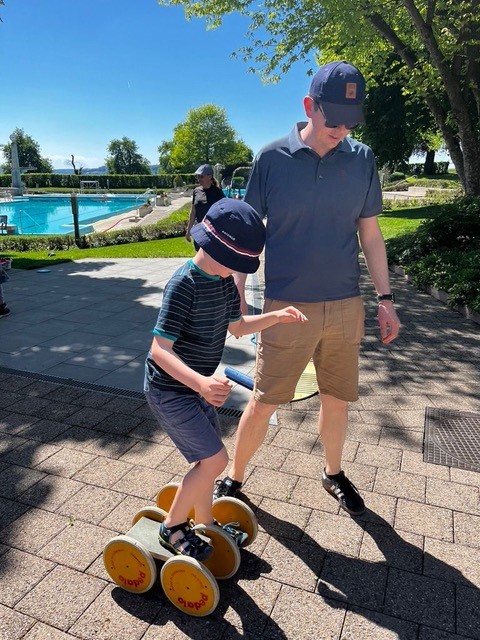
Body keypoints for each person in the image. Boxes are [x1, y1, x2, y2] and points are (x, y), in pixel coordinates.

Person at [214, 61, 401, 517]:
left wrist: (386, 300)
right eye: (333, 118)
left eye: (351, 121)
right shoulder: (271, 158)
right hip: (286, 307)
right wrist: (236, 297)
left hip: (345, 304)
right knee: (264, 400)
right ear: (308, 106)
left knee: (337, 400)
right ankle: (234, 477)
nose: (342, 129)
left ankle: (333, 473)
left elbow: (370, 234)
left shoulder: (362, 159)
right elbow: (246, 232)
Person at [144, 198, 307, 560]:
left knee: (208, 461)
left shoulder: (223, 283)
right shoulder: (184, 285)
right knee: (215, 461)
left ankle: (204, 520)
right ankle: (173, 527)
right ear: (212, 248)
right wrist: (201, 384)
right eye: (233, 263)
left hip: (195, 388)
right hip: (170, 390)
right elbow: (159, 350)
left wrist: (276, 316)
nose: (236, 272)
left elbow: (237, 326)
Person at [185, 164, 225, 248]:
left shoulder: (217, 192)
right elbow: (193, 212)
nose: (199, 179)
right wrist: (188, 230)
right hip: (199, 230)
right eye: (198, 176)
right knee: (199, 252)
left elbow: (224, 212)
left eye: (201, 176)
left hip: (212, 231)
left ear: (209, 176)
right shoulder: (196, 191)